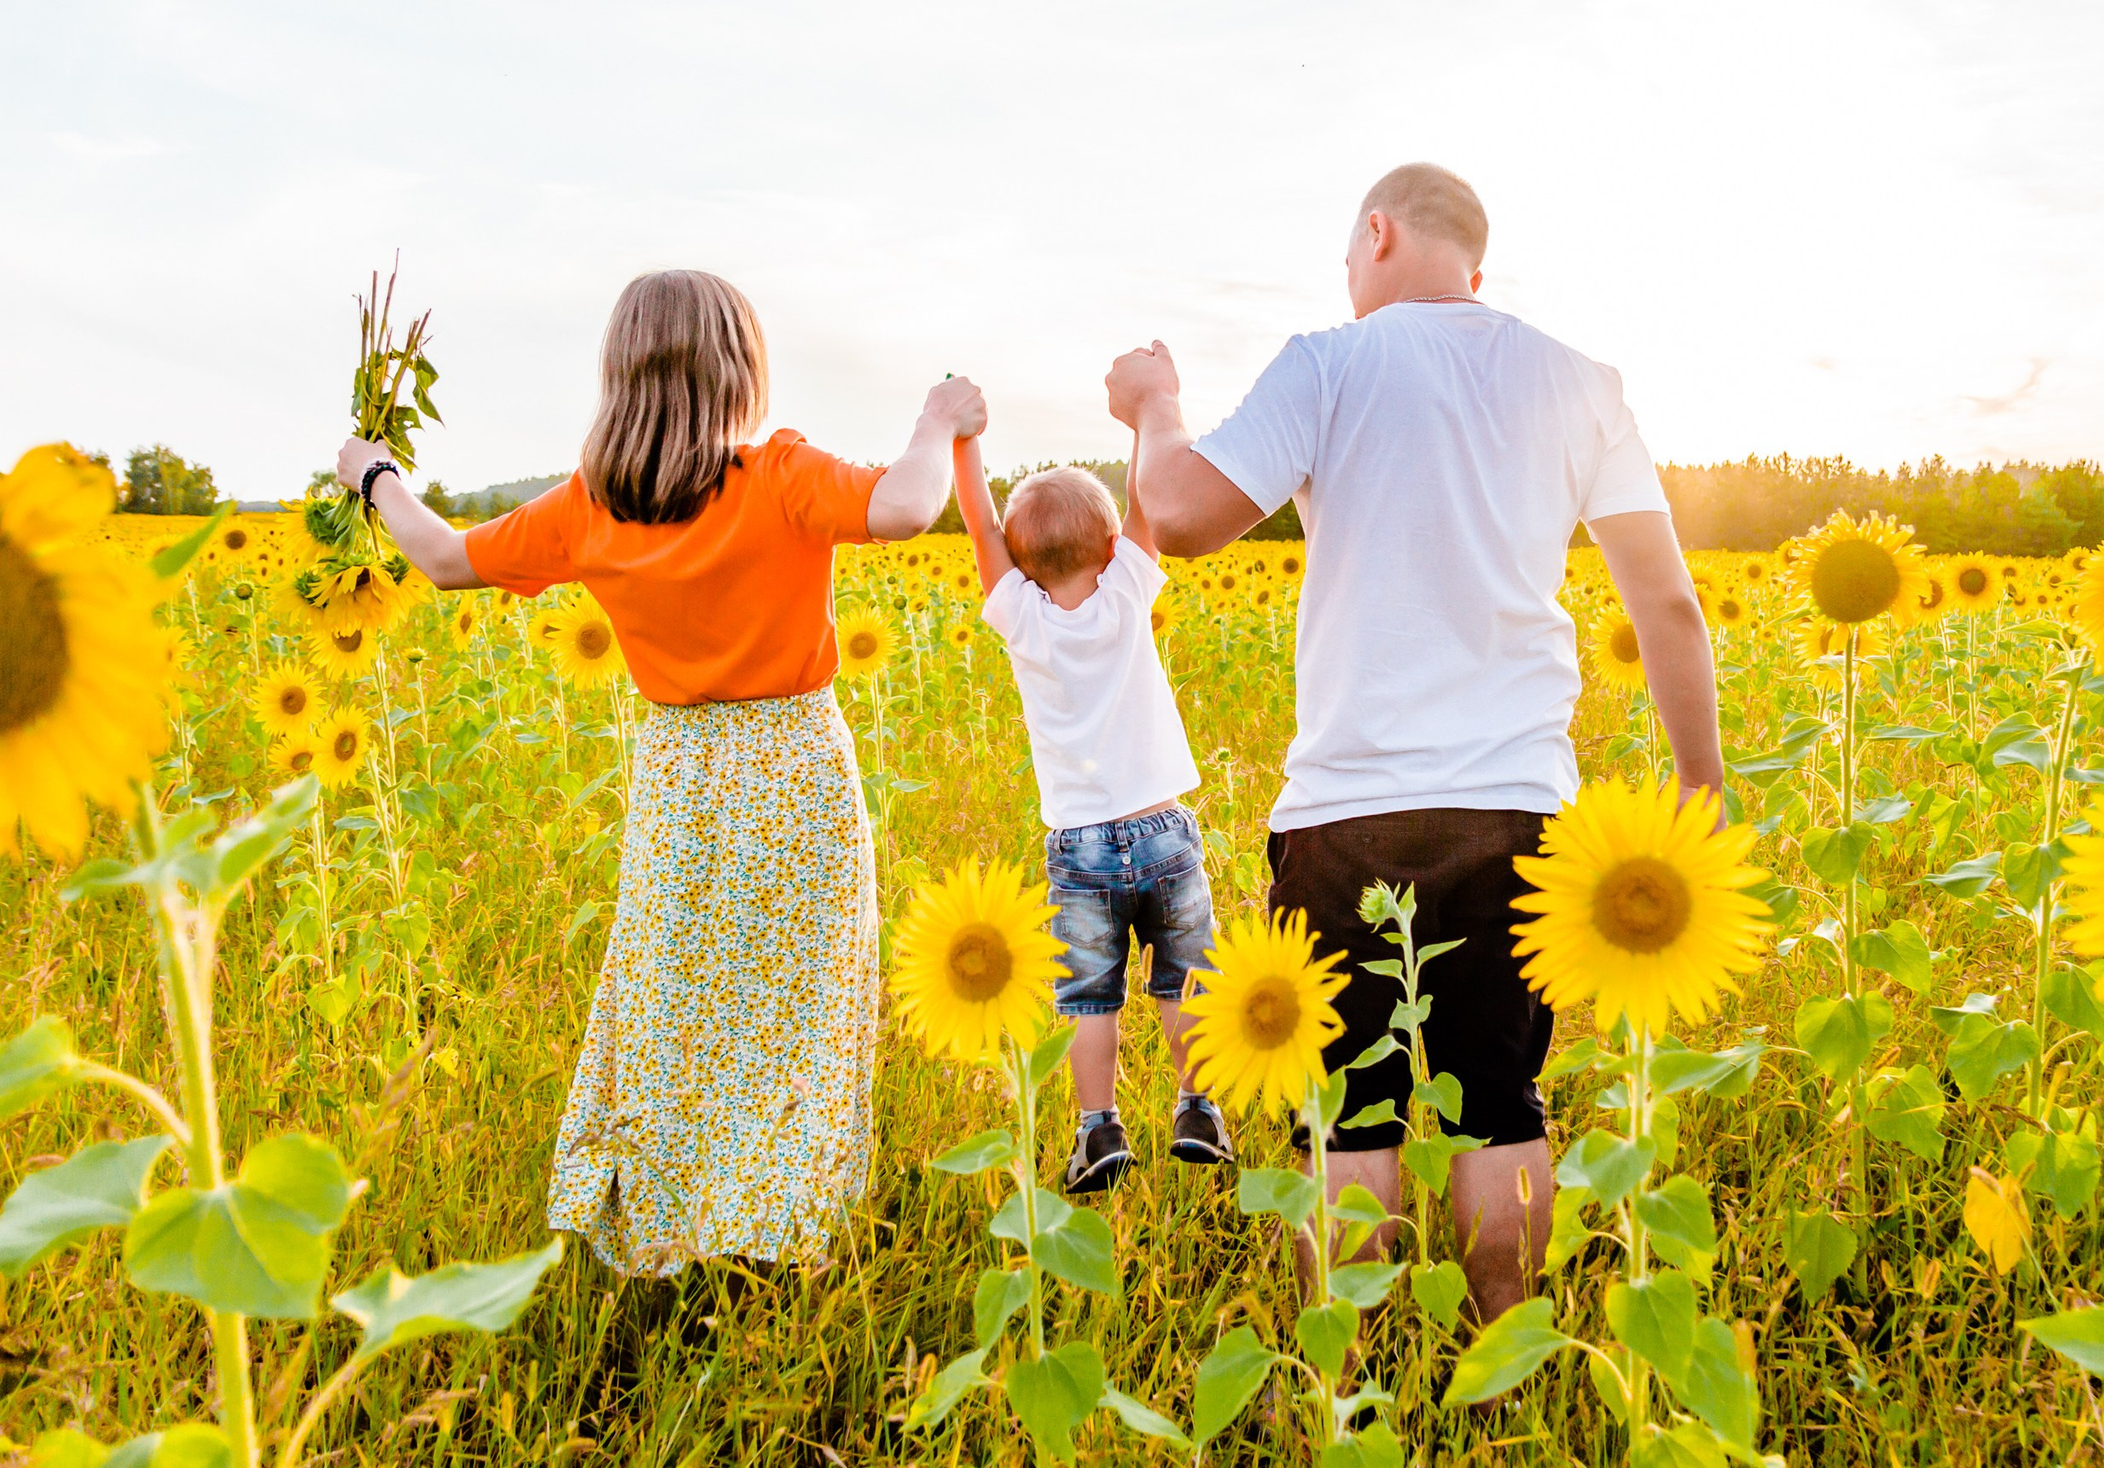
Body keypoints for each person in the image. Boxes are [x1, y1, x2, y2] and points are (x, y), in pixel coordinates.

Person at [1103, 163, 1725, 1319]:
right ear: (1475, 271)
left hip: (1348, 809)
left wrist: (1152, 405)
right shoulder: (1578, 380)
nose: (1346, 278)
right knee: (1502, 1100)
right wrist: (1701, 786)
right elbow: (1669, 605)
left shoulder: (1331, 364)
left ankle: (1347, 1379)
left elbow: (1181, 513)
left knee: (1351, 1111)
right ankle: (1499, 1382)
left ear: (1378, 234)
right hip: (1518, 803)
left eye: (1349, 256)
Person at [333, 268, 982, 1275]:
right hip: (793, 768)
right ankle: (782, 1225)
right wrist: (936, 418)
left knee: (676, 1004)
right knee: (799, 1008)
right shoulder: (780, 471)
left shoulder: (593, 504)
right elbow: (907, 508)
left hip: (678, 781)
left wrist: (377, 479)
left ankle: (680, 1225)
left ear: (623, 372)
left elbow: (449, 558)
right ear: (741, 366)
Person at [953, 437, 1231, 1193]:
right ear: (1111, 548)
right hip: (1163, 827)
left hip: (1079, 849)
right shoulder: (1127, 592)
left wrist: (965, 442)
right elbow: (1148, 503)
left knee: (1089, 996)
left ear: (1017, 559)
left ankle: (1098, 1127)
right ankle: (1198, 1105)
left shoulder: (1020, 616)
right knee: (1185, 982)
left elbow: (979, 525)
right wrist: (1145, 422)